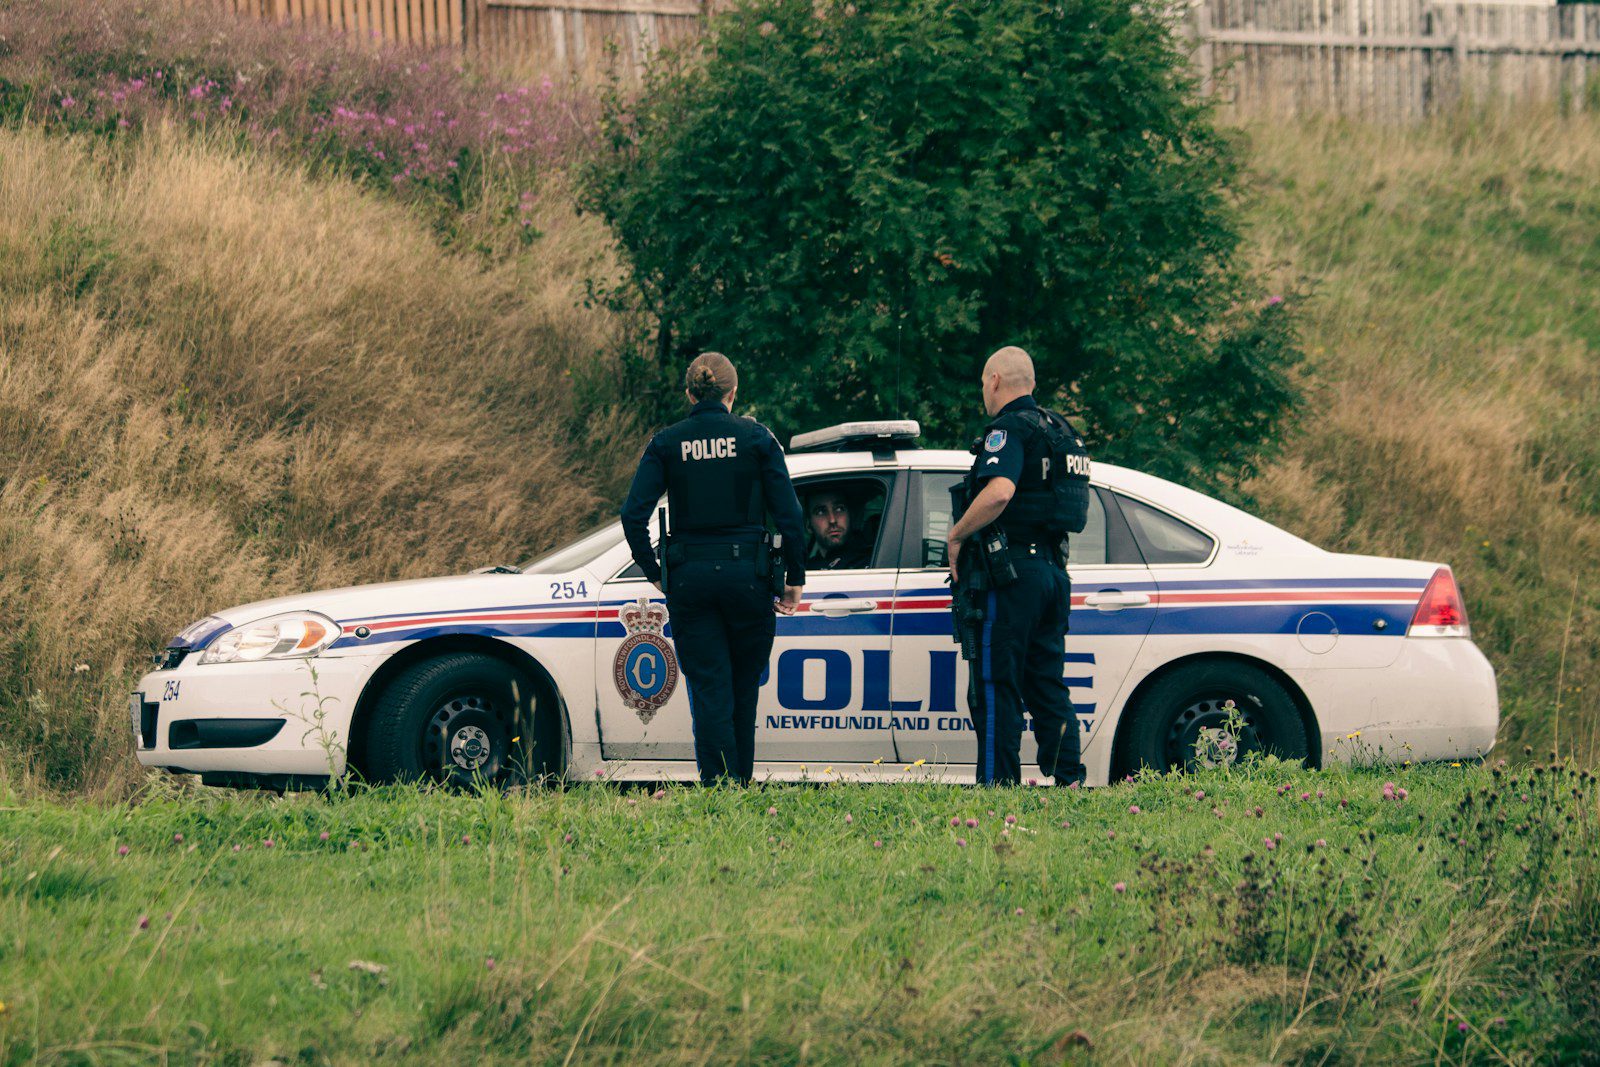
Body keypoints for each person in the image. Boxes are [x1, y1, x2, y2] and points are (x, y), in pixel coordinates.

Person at [620, 352, 806, 785]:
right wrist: (795, 578)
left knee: (709, 691)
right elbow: (789, 514)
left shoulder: (667, 442)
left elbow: (633, 515)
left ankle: (720, 789)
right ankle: (739, 785)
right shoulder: (758, 438)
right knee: (743, 688)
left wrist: (653, 572)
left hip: (690, 579)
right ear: (733, 393)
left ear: (690, 393)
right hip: (750, 577)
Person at [945, 346, 1090, 787]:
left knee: (994, 686)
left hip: (1010, 577)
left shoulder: (1008, 429)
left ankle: (996, 790)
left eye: (982, 386)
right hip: (1051, 573)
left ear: (994, 381)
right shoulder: (1061, 431)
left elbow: (1000, 492)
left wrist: (957, 535)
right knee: (1047, 684)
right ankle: (1069, 783)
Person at [805, 487, 875, 570]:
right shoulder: (806, 569)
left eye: (839, 509)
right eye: (821, 512)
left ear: (850, 516)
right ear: (809, 525)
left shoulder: (872, 560)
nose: (832, 520)